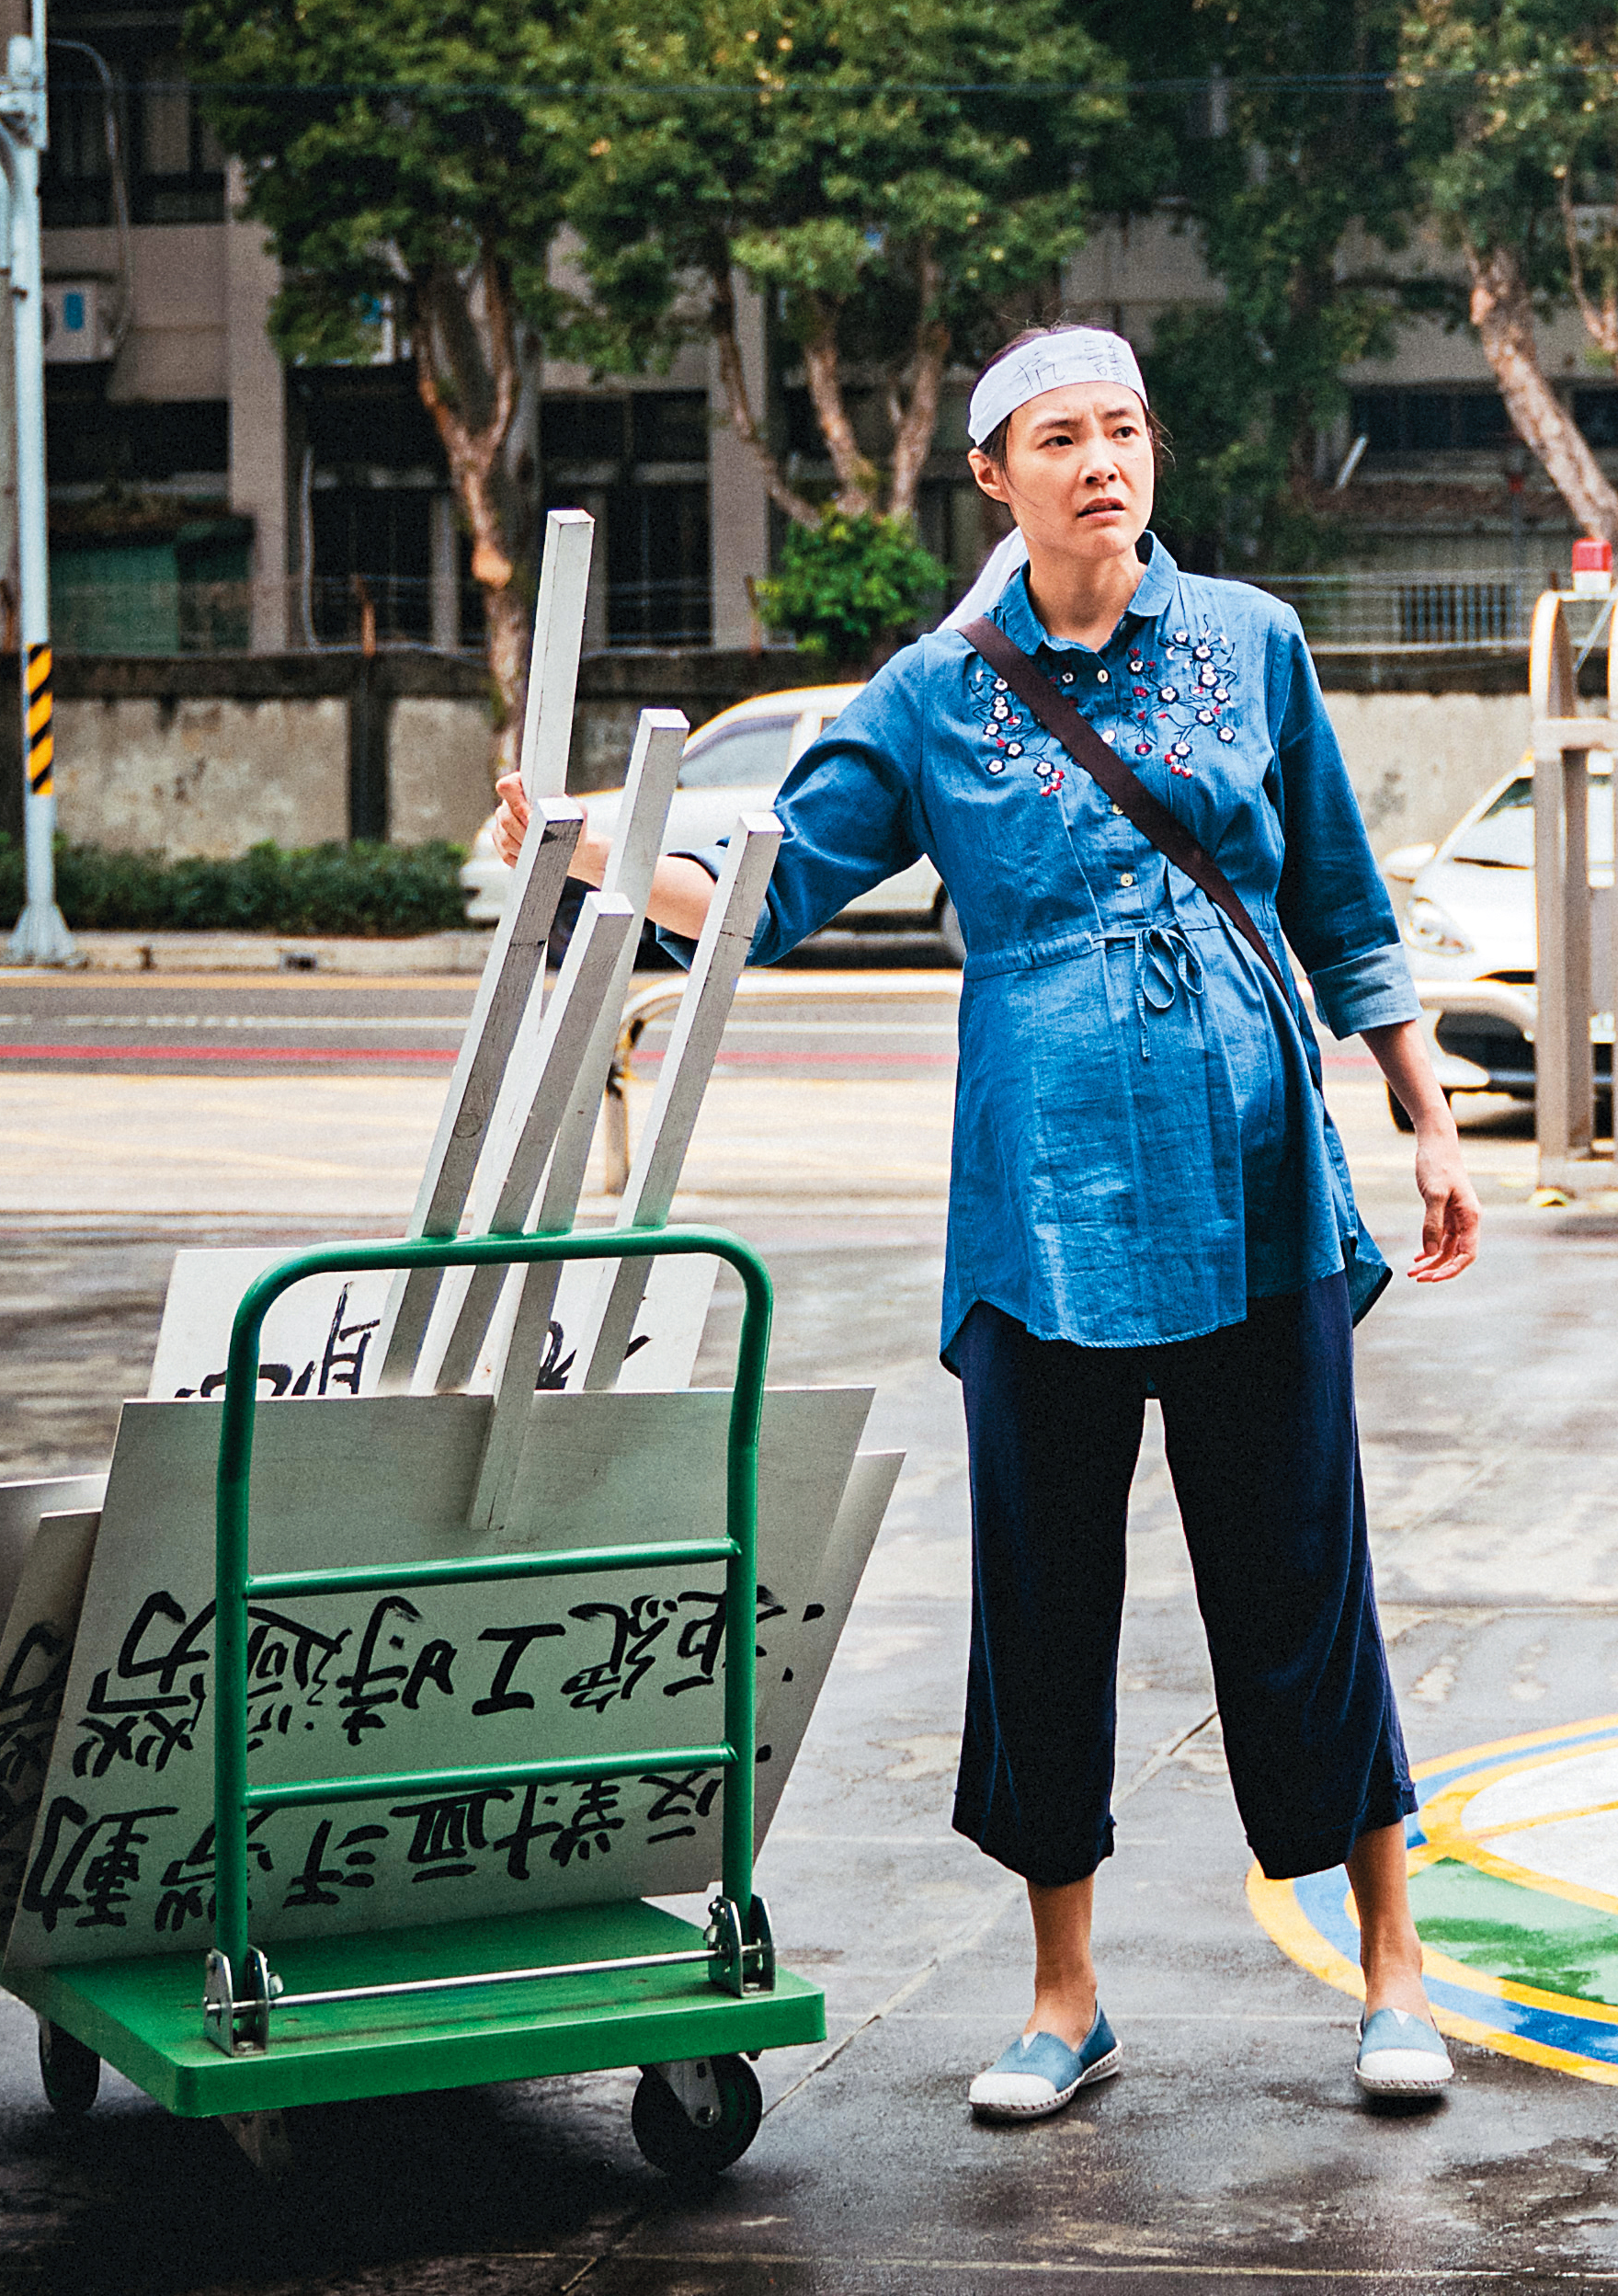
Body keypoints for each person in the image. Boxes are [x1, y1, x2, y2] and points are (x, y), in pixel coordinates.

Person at [484, 326, 1484, 2121]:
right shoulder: (937, 690)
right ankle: (1062, 1993)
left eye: (1124, 428)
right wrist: (597, 850)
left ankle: (1394, 1966)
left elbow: (1339, 895)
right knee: (1040, 1598)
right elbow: (770, 889)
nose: (1104, 458)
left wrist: (1422, 1114)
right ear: (992, 477)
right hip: (1038, 1203)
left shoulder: (1251, 643)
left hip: (1252, 1175)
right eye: (1059, 435)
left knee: (1302, 1582)